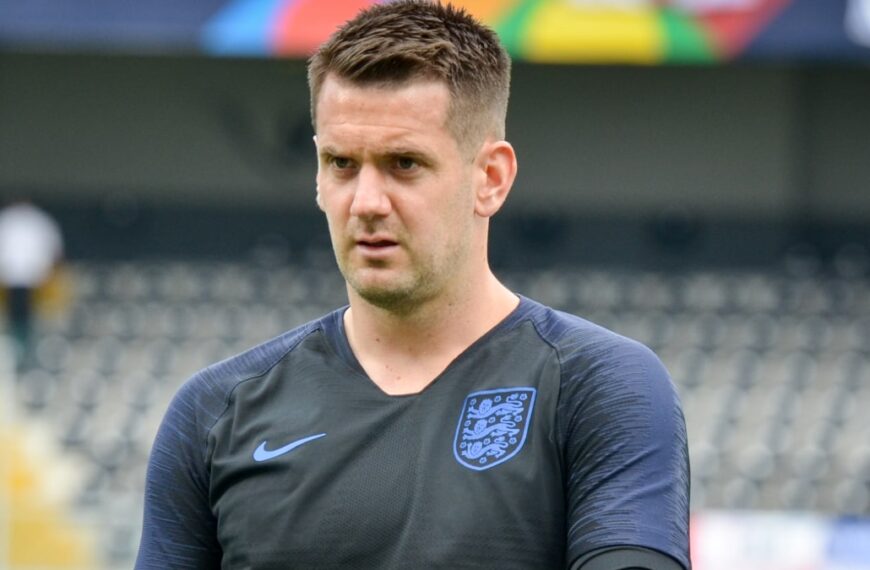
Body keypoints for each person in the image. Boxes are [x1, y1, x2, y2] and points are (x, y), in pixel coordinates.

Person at [136, 2, 690, 568]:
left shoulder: (598, 386)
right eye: (342, 164)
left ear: (491, 179)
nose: (367, 203)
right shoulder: (213, 413)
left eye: (404, 164)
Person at [0, 199, 63, 370]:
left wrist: (47, 274)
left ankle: (27, 352)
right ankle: (17, 351)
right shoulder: (6, 220)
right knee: (15, 318)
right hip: (10, 281)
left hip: (35, 281)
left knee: (31, 318)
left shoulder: (39, 221)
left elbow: (54, 250)